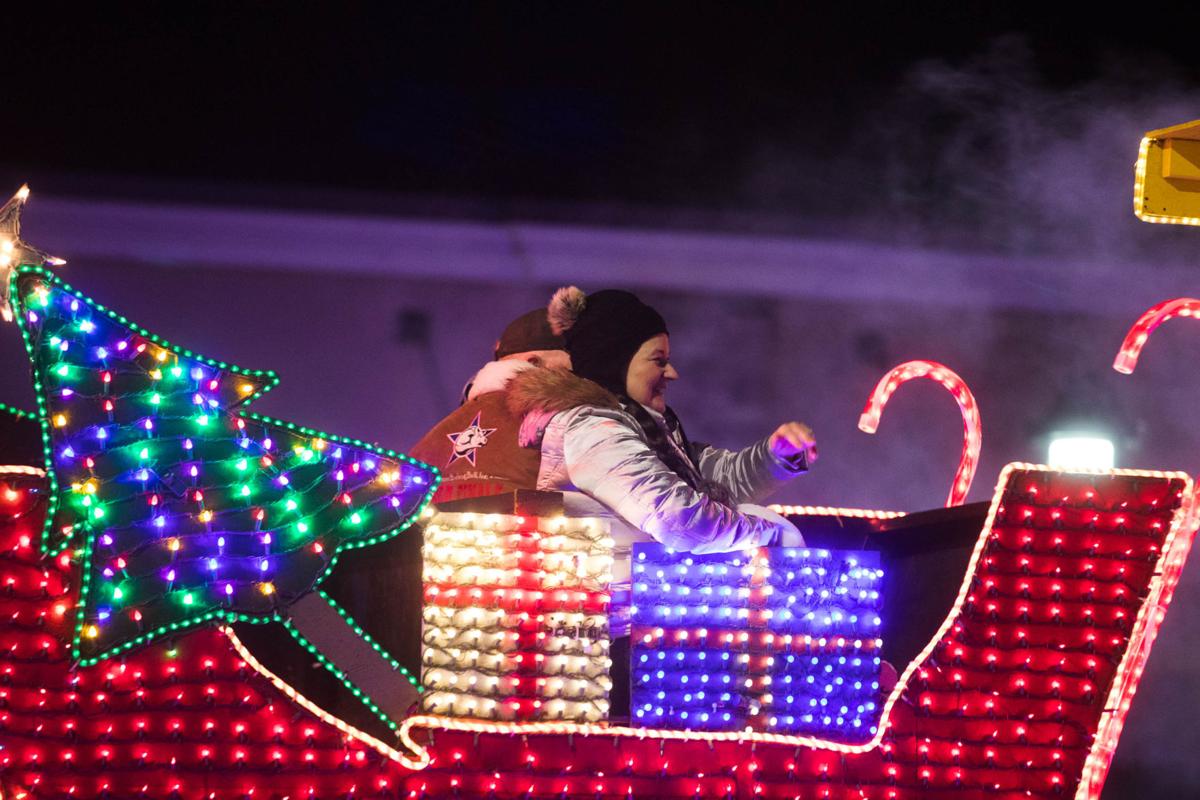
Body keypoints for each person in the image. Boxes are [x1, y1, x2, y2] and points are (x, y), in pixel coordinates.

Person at [507, 287, 817, 716]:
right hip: (610, 647)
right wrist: (768, 532)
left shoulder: (647, 429)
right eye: (657, 359)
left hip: (649, 634)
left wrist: (774, 459)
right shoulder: (595, 430)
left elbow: (713, 482)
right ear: (616, 361)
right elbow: (678, 517)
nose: (671, 373)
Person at [408, 308, 571, 503]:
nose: (579, 380)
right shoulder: (564, 424)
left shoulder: (431, 440)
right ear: (535, 363)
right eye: (570, 370)